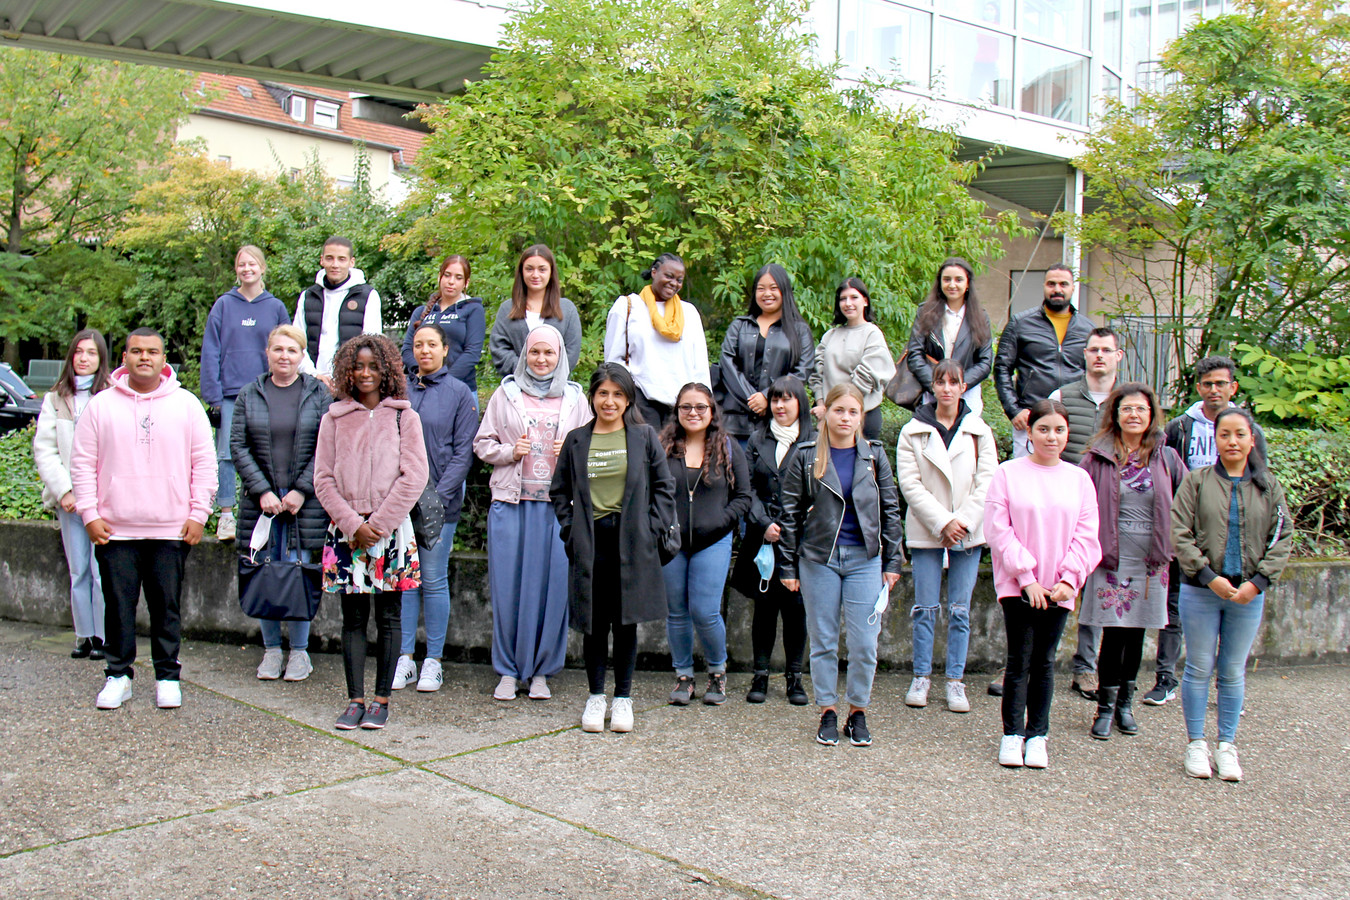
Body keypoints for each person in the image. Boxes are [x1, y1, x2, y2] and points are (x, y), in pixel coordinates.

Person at [71, 328, 217, 711]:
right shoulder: (100, 406)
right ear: (124, 357)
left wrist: (199, 513)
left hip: (170, 528)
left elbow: (204, 463)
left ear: (163, 358)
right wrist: (89, 513)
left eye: (152, 351)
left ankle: (167, 677)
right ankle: (118, 676)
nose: (144, 358)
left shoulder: (186, 405)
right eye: (136, 351)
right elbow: (83, 463)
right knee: (118, 607)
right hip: (115, 530)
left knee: (166, 607)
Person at [550, 363, 677, 734]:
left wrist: (651, 528)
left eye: (617, 394)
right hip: (590, 541)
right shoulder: (576, 440)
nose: (609, 401)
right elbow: (559, 491)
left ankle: (623, 698)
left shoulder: (643, 436)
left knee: (625, 623)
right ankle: (595, 697)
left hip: (633, 539)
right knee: (594, 623)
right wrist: (570, 529)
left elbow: (664, 488)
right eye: (603, 393)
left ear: (628, 399)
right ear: (592, 397)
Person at [987, 263, 1094, 698]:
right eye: (1050, 283)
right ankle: (1017, 658)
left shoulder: (1087, 328)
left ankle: (1062, 652)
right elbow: (1002, 368)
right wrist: (1015, 410)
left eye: (1064, 284)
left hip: (1071, 426)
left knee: (1069, 516)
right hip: (1032, 423)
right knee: (1021, 509)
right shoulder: (1022, 323)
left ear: (1073, 288)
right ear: (1043, 288)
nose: (1057, 289)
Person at [779, 384, 904, 748]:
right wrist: (787, 567)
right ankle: (828, 711)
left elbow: (890, 509)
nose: (845, 418)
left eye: (853, 412)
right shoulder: (805, 456)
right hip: (820, 559)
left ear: (861, 416)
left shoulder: (874, 455)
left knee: (865, 643)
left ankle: (858, 712)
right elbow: (788, 514)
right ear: (825, 412)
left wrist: (893, 558)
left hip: (865, 558)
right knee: (823, 640)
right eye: (839, 411)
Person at [314, 335, 429, 731]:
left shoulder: (404, 417)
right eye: (358, 366)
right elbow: (323, 478)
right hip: (346, 533)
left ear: (387, 371)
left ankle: (381, 699)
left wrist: (378, 525)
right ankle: (354, 699)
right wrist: (353, 525)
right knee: (352, 618)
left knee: (390, 616)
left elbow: (414, 476)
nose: (365, 373)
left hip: (390, 531)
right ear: (347, 369)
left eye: (373, 366)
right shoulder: (333, 419)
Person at [1171, 407, 1291, 782]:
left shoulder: (1268, 485)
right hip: (1202, 589)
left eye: (1240, 434)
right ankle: (1196, 744)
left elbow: (1282, 536)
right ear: (1216, 440)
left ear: (1252, 439)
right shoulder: (1198, 481)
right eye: (1225, 434)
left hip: (1248, 593)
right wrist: (1208, 576)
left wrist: (1258, 583)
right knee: (1198, 666)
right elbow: (1179, 531)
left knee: (1233, 670)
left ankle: (1226, 745)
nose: (1233, 441)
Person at [1145, 355, 1270, 706]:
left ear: (1233, 387)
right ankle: (1166, 678)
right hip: (1187, 529)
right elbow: (1163, 472)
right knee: (1176, 607)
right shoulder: (1180, 428)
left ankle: (1224, 685)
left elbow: (1261, 481)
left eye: (1221, 384)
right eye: (1207, 384)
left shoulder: (1250, 430)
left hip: (1234, 535)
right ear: (1198, 387)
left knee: (1231, 608)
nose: (1214, 390)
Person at [475, 325, 591, 701]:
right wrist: (509, 451)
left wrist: (571, 451)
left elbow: (594, 450)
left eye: (550, 353)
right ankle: (508, 671)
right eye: (536, 352)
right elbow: (482, 443)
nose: (542, 360)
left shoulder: (576, 398)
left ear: (561, 357)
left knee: (553, 590)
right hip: (512, 505)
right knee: (508, 588)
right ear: (526, 354)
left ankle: (541, 671)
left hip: (559, 510)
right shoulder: (506, 393)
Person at [984, 399, 1100, 769]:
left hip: (1060, 587)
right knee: (1019, 659)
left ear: (1068, 434)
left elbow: (1087, 533)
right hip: (1019, 587)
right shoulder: (1008, 473)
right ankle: (1011, 734)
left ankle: (1038, 735)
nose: (1052, 437)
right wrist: (1027, 578)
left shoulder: (1079, 478)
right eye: (1044, 429)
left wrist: (1070, 578)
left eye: (1059, 430)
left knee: (1045, 661)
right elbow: (998, 530)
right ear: (1029, 431)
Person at [1079, 384, 1185, 740]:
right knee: (1112, 630)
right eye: (1127, 409)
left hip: (1151, 558)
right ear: (1115, 414)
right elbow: (1077, 499)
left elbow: (1187, 501)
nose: (1134, 415)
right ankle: (1105, 708)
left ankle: (1125, 704)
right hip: (1110, 554)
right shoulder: (1098, 456)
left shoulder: (1166, 457)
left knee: (1137, 631)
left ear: (1152, 414)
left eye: (1141, 409)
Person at [230, 324, 333, 682]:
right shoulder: (249, 394)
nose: (285, 356)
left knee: (301, 571)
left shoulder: (318, 394)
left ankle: (300, 653)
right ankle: (272, 651)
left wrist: (301, 491)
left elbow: (327, 445)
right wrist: (262, 491)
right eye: (278, 349)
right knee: (264, 572)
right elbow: (238, 446)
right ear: (267, 352)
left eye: (292, 350)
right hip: (263, 505)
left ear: (302, 354)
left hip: (304, 504)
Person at [895, 360, 997, 714]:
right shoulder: (913, 430)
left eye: (954, 382)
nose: (947, 388)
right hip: (928, 528)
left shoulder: (979, 430)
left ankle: (955, 681)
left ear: (964, 386)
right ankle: (921, 676)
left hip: (968, 532)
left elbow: (988, 482)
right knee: (924, 607)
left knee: (959, 610)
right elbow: (910, 484)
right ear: (932, 386)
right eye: (941, 382)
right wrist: (943, 523)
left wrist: (963, 522)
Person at [391, 323, 478, 694]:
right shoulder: (399, 390)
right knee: (404, 581)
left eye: (432, 345)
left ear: (445, 350)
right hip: (398, 502)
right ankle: (404, 658)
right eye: (418, 344)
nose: (424, 351)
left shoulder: (459, 393)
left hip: (440, 503)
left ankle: (434, 661)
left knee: (433, 578)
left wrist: (437, 499)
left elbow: (463, 452)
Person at [660, 383, 752, 706]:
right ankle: (684, 676)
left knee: (705, 610)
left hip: (713, 540)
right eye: (686, 407)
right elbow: (652, 492)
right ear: (677, 411)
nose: (693, 413)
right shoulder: (665, 446)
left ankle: (717, 670)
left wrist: (720, 523)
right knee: (677, 612)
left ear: (712, 411)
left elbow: (743, 497)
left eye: (701, 407)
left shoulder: (727, 446)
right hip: (672, 543)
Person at [1048, 325, 1126, 701]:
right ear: (1084, 355)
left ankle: (1086, 667)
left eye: (1106, 350)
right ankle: (1032, 659)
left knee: (1098, 588)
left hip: (1112, 506)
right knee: (1051, 579)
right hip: (1064, 504)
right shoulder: (1063, 395)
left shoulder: (1127, 401)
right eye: (1093, 349)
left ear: (1117, 356)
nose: (1099, 355)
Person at [730, 375, 814, 705]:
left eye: (787, 399)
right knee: (763, 608)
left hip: (800, 540)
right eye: (775, 399)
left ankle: (795, 677)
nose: (779, 405)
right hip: (762, 536)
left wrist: (792, 525)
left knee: (797, 609)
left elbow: (818, 490)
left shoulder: (813, 441)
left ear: (800, 404)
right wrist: (763, 521)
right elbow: (746, 487)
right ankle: (760, 675)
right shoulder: (756, 439)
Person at [200, 245, 291, 542]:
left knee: (265, 452)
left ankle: (264, 514)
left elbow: (286, 346)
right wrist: (212, 395)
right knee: (226, 453)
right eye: (241, 264)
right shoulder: (224, 305)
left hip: (266, 391)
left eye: (252, 264)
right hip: (229, 392)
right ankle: (226, 514)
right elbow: (211, 350)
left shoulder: (275, 307)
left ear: (263, 268)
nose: (247, 268)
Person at [33, 329, 111, 661]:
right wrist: (64, 490)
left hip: (103, 501)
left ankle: (106, 636)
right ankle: (84, 634)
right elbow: (45, 450)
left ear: (101, 358)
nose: (83, 358)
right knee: (78, 568)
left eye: (91, 353)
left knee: (101, 570)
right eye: (78, 352)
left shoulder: (110, 395)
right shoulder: (55, 399)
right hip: (70, 502)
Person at [603, 253, 711, 428]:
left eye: (679, 279)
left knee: (678, 455)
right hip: (641, 403)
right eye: (668, 276)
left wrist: (702, 405)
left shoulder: (689, 312)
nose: (673, 283)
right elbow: (613, 361)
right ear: (654, 272)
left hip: (682, 407)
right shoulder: (628, 306)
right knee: (645, 454)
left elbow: (700, 366)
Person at [719, 264, 815, 443]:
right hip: (737, 422)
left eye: (773, 288)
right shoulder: (739, 326)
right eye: (760, 288)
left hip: (781, 420)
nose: (766, 294)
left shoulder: (799, 330)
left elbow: (802, 371)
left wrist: (767, 397)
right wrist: (753, 400)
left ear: (784, 291)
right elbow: (727, 363)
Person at [905, 257, 994, 415]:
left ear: (967, 284)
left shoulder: (980, 317)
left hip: (967, 392)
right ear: (940, 283)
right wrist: (936, 385)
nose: (952, 285)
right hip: (932, 394)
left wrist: (958, 385)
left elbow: (985, 362)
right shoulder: (925, 312)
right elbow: (915, 354)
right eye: (947, 279)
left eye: (958, 279)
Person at [809, 278, 895, 441]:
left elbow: (866, 377)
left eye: (854, 297)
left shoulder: (872, 334)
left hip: (863, 418)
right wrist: (821, 407)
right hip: (828, 417)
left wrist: (837, 410)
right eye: (843, 299)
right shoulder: (830, 335)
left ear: (865, 301)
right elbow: (817, 374)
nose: (848, 303)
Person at [293, 236, 383, 384]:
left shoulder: (368, 296)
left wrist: (346, 377)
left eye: (341, 259)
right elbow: (297, 342)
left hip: (350, 383)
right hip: (310, 382)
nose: (335, 264)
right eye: (330, 258)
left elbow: (372, 343)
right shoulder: (307, 297)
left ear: (351, 262)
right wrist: (313, 374)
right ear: (322, 260)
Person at [489, 244, 583, 379]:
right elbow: (499, 349)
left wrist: (547, 375)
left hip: (556, 390)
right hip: (516, 389)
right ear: (521, 271)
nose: (535, 275)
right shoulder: (507, 309)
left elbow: (572, 352)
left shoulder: (567, 310)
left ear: (551, 272)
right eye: (529, 269)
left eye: (542, 269)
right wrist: (526, 370)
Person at [400, 254, 485, 398]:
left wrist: (444, 382)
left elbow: (472, 353)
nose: (451, 282)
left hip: (459, 389)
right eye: (447, 275)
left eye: (458, 278)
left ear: (466, 282)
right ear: (440, 277)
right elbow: (407, 349)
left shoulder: (473, 310)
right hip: (420, 389)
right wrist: (422, 376)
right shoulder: (421, 312)